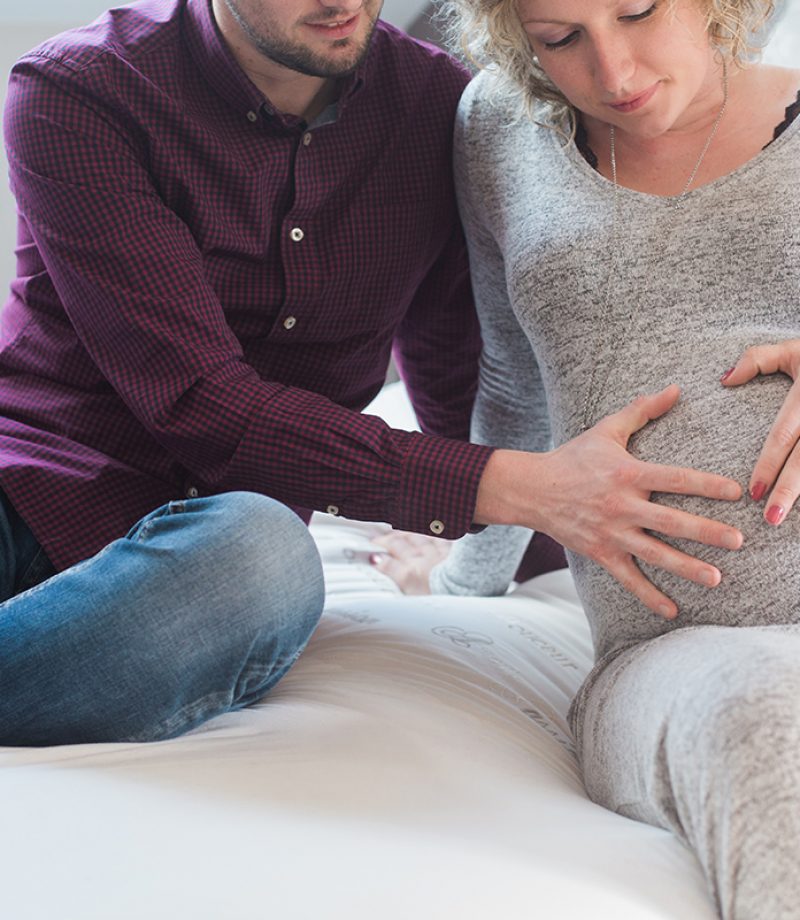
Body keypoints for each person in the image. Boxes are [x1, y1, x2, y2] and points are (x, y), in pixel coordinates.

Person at [0, 0, 744, 747]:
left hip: (209, 567)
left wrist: (522, 539)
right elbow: (199, 403)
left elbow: (460, 365)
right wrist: (525, 490)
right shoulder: (82, 89)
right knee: (262, 553)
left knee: (261, 558)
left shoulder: (436, 108)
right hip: (30, 494)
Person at [374, 0, 800, 915]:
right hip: (693, 655)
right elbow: (514, 383)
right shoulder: (497, 127)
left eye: (638, 11)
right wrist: (463, 577)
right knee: (767, 718)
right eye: (558, 38)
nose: (613, 73)